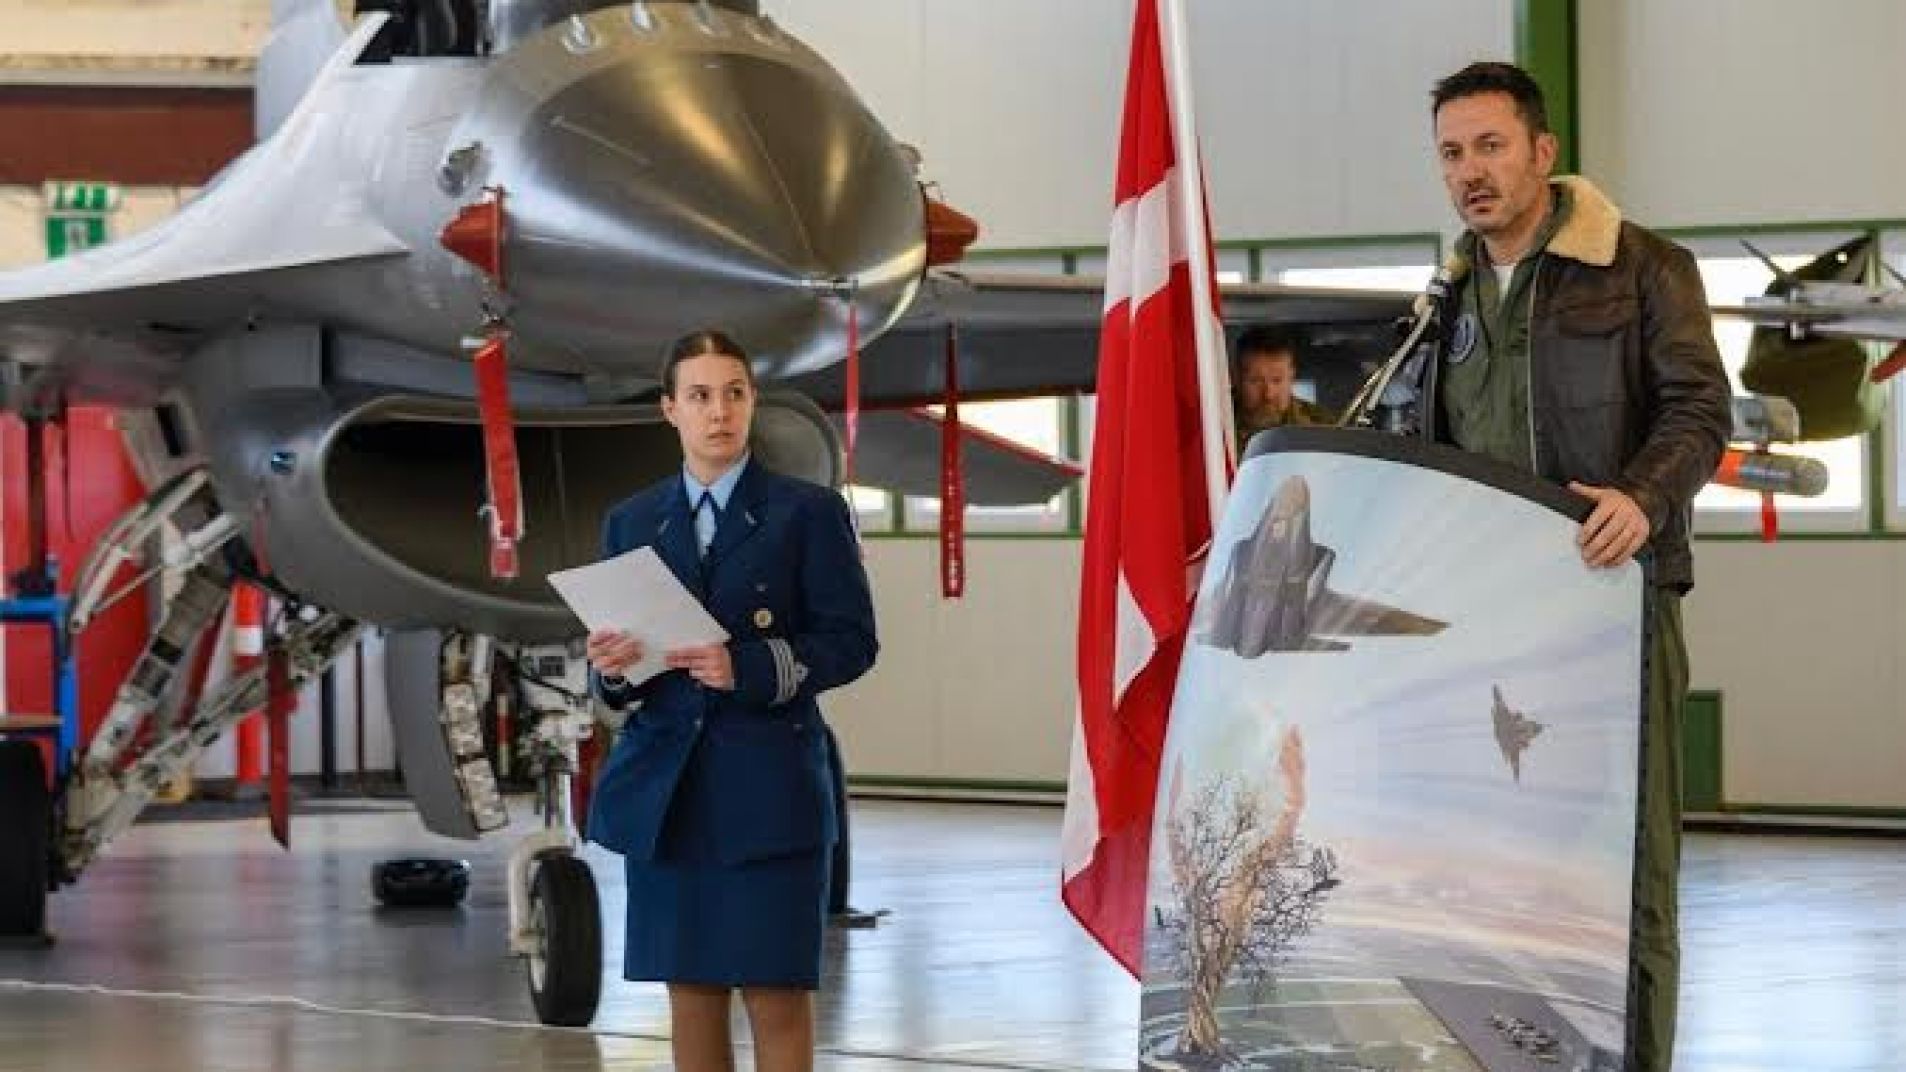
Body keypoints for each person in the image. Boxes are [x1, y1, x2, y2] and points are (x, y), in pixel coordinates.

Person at [1423, 62, 1731, 1072]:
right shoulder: (1447, 296)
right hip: (1489, 626)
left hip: (1611, 609)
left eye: (1489, 146)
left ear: (1542, 152)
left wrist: (1644, 500)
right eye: (1451, 153)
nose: (1470, 172)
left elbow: (1699, 409)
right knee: (1494, 872)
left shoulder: (1643, 267)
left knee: (1625, 873)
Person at [584, 329, 878, 1072]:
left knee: (777, 994)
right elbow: (618, 677)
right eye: (700, 396)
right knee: (691, 992)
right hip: (668, 796)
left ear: (752, 403)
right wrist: (613, 668)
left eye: (735, 393)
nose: (720, 412)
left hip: (768, 790)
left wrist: (744, 668)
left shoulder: (808, 512)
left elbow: (852, 642)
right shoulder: (630, 521)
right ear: (670, 410)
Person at [1233, 324, 1334, 454]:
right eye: (1255, 381)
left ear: (1291, 376)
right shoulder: (1212, 430)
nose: (1268, 395)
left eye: (1277, 380)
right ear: (1236, 378)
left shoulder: (1321, 427)